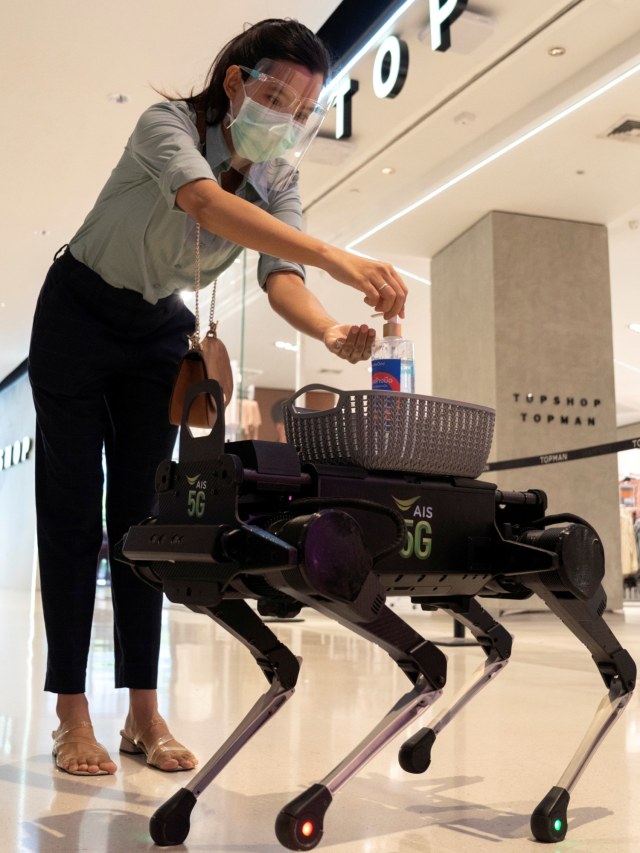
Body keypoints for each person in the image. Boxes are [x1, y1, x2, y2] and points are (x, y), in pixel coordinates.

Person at [28, 18, 407, 777]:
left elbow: (281, 278)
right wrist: (335, 254)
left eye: (302, 111)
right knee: (71, 509)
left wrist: (330, 329)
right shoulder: (165, 124)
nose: (286, 120)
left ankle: (142, 710)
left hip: (156, 331)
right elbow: (202, 203)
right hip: (78, 309)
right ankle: (71, 711)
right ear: (235, 83)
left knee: (143, 522)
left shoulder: (278, 179)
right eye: (274, 96)